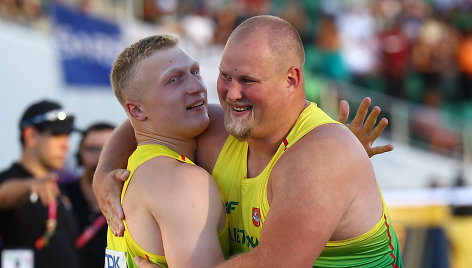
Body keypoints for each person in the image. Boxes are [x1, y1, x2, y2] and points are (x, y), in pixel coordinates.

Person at [94, 15, 402, 267]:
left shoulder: (321, 157)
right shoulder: (220, 128)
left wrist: (342, 159)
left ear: (291, 80)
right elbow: (148, 118)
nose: (232, 93)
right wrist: (104, 170)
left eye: (248, 81)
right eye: (225, 76)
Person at [103, 34, 230, 268]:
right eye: (174, 80)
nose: (197, 87)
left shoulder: (138, 167)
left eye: (195, 72)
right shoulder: (181, 182)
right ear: (137, 110)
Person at [0, 99, 80, 268]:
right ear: (30, 135)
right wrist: (30, 186)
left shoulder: (60, 189)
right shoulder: (8, 179)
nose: (66, 145)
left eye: (67, 136)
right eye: (57, 135)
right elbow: (3, 194)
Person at [61, 122, 115, 268]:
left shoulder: (132, 199)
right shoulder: (60, 195)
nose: (101, 156)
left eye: (109, 148)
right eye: (93, 149)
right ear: (79, 155)